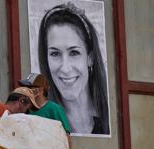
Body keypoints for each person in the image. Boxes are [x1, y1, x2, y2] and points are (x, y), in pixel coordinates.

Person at [38, 2, 110, 135]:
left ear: (90, 57)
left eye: (74, 53)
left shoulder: (111, 118)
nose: (65, 68)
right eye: (55, 53)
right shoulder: (39, 124)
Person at [19, 73, 71, 146]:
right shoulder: (25, 108)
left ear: (40, 90)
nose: (25, 90)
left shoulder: (54, 109)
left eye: (29, 87)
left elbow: (66, 137)